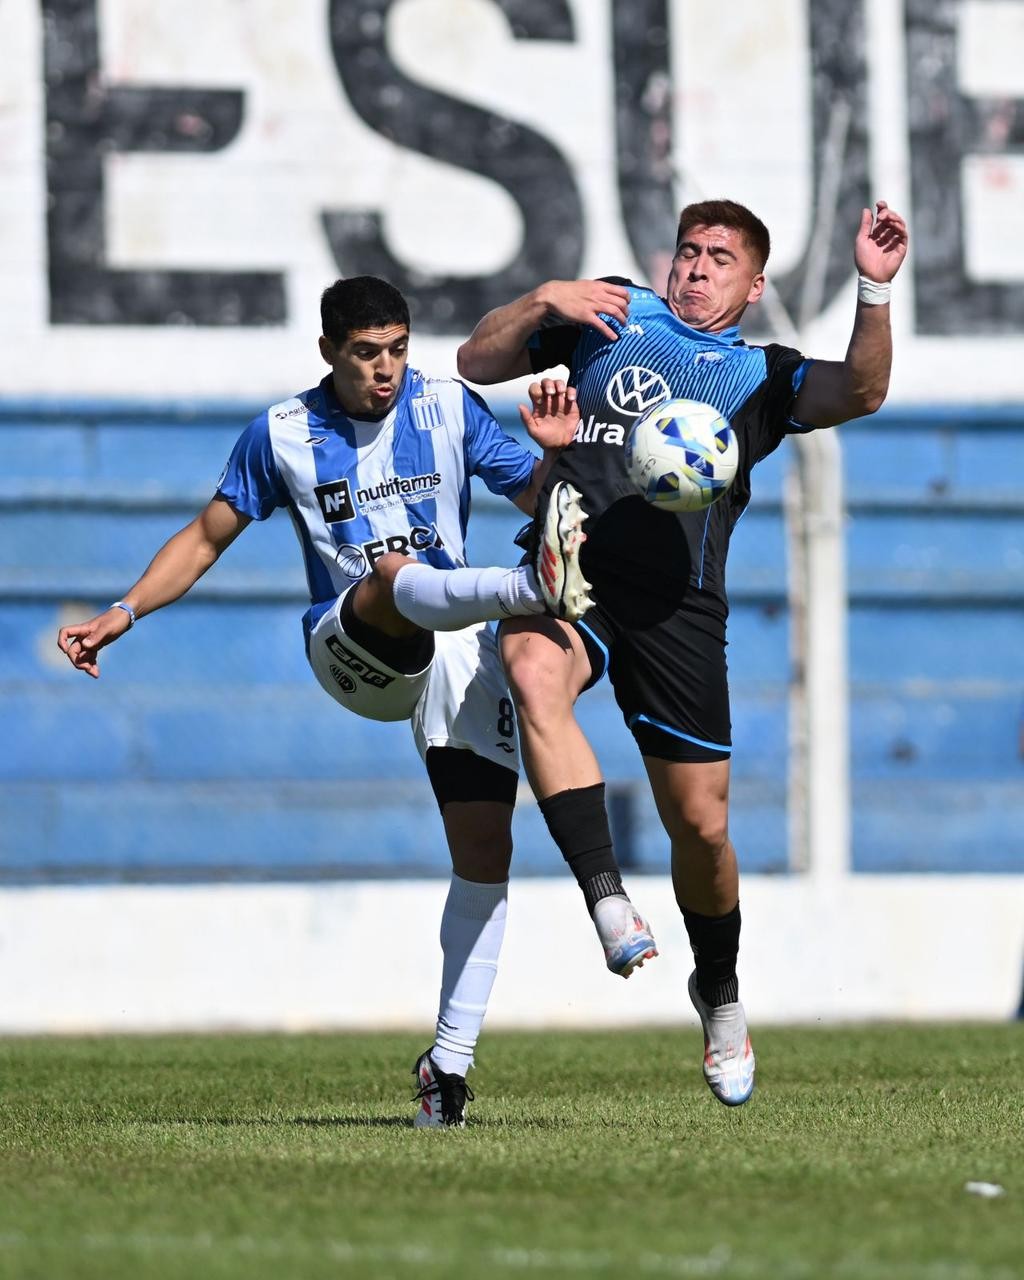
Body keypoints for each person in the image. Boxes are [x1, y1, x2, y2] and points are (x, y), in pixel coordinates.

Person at [56, 275, 655, 1129]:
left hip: (452, 645)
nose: (386, 369)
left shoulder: (448, 407)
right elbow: (204, 536)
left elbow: (543, 504)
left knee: (484, 850)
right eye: (367, 353)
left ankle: (447, 1065)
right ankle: (527, 587)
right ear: (330, 351)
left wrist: (556, 456)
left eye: (398, 349)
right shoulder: (284, 433)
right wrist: (122, 612)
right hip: (350, 646)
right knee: (387, 572)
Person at [458, 199, 909, 1106]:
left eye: (720, 259)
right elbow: (477, 361)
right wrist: (546, 299)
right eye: (689, 253)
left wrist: (872, 288)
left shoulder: (758, 376)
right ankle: (606, 897)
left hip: (679, 609)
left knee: (701, 830)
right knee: (532, 670)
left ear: (754, 284)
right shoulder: (613, 315)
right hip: (573, 564)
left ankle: (720, 992)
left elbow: (860, 391)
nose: (697, 269)